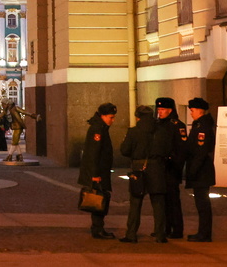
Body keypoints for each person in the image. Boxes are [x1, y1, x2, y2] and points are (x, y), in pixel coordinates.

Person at [117, 105, 166, 243]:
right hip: (157, 168)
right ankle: (160, 235)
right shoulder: (160, 131)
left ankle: (131, 234)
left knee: (135, 202)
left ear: (138, 117)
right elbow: (167, 148)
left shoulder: (134, 131)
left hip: (139, 167)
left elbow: (124, 150)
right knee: (158, 203)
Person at [77, 102, 117, 240]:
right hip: (98, 172)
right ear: (103, 116)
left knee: (100, 198)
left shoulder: (101, 127)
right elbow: (94, 153)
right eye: (111, 117)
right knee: (98, 199)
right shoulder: (98, 129)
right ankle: (98, 229)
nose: (113, 120)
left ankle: (98, 228)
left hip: (100, 171)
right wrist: (95, 175)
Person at [154, 97, 189, 239]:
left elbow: (181, 150)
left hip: (171, 169)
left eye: (162, 110)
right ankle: (165, 228)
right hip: (160, 168)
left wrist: (175, 167)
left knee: (173, 201)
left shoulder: (177, 125)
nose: (160, 112)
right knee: (163, 201)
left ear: (170, 110)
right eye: (159, 109)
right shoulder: (158, 124)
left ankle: (177, 229)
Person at [185, 97, 217, 243]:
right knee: (201, 203)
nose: (191, 113)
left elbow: (201, 151)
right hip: (201, 170)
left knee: (203, 204)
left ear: (199, 110)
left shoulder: (202, 127)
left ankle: (204, 234)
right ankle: (202, 232)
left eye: (192, 110)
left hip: (202, 171)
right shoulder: (201, 124)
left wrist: (192, 170)